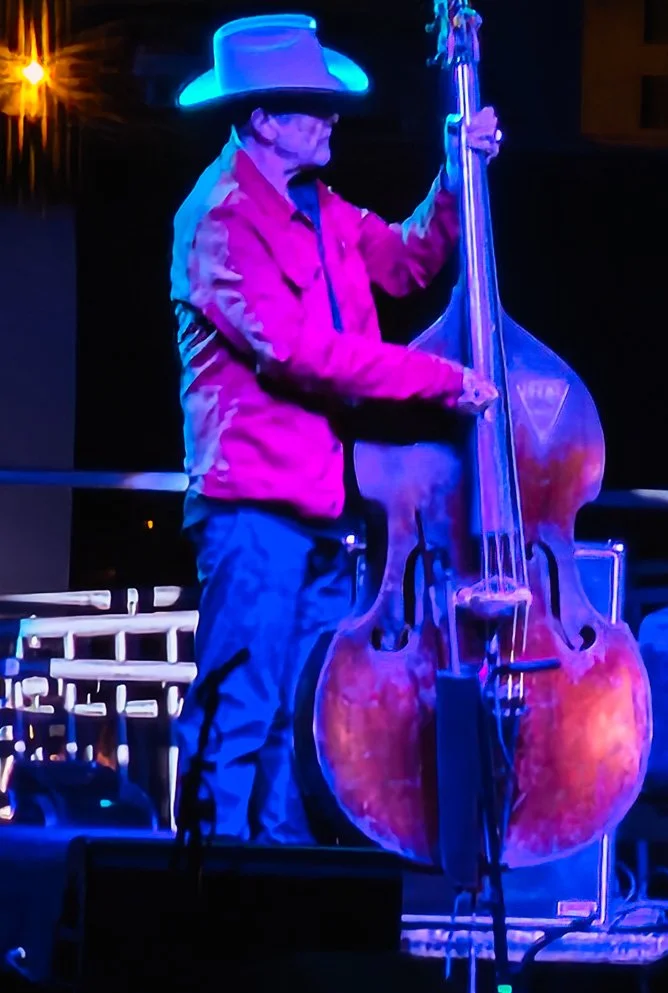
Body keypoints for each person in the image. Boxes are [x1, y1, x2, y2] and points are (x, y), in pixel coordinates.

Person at [168, 14, 502, 843]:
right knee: (239, 714)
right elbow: (298, 354)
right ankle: (202, 895)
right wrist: (444, 381)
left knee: (295, 722)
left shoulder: (319, 207)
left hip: (321, 506)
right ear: (263, 120)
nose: (331, 118)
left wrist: (455, 177)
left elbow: (408, 260)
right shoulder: (219, 218)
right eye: (311, 106)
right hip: (253, 511)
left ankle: (275, 897)